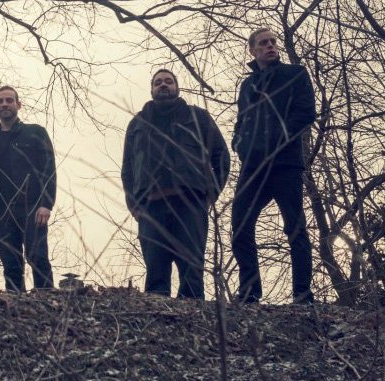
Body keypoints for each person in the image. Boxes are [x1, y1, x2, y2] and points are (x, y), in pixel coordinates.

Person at [121, 69, 229, 299]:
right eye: (158, 82)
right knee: (155, 274)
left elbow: (221, 156)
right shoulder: (137, 123)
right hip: (151, 208)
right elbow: (128, 169)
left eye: (169, 81)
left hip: (190, 204)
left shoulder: (198, 117)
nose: (163, 85)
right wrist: (134, 205)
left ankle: (195, 319)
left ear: (177, 87)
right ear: (151, 89)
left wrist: (211, 193)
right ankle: (158, 319)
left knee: (192, 271)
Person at [231, 28, 317, 304]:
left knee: (295, 227)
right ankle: (249, 292)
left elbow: (306, 113)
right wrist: (239, 144)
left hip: (285, 163)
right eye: (263, 43)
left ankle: (303, 295)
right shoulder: (247, 85)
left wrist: (276, 141)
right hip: (253, 167)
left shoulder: (295, 74)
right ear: (252, 50)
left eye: (273, 42)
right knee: (240, 225)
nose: (270, 46)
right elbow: (241, 120)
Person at [0, 86, 57, 293]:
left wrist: (46, 204)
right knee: (11, 265)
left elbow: (48, 170)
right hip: (1, 212)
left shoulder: (36, 133)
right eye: (0, 101)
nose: (4, 104)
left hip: (32, 208)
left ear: (19, 105)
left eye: (9, 100)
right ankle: (16, 306)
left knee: (37, 257)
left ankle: (47, 302)